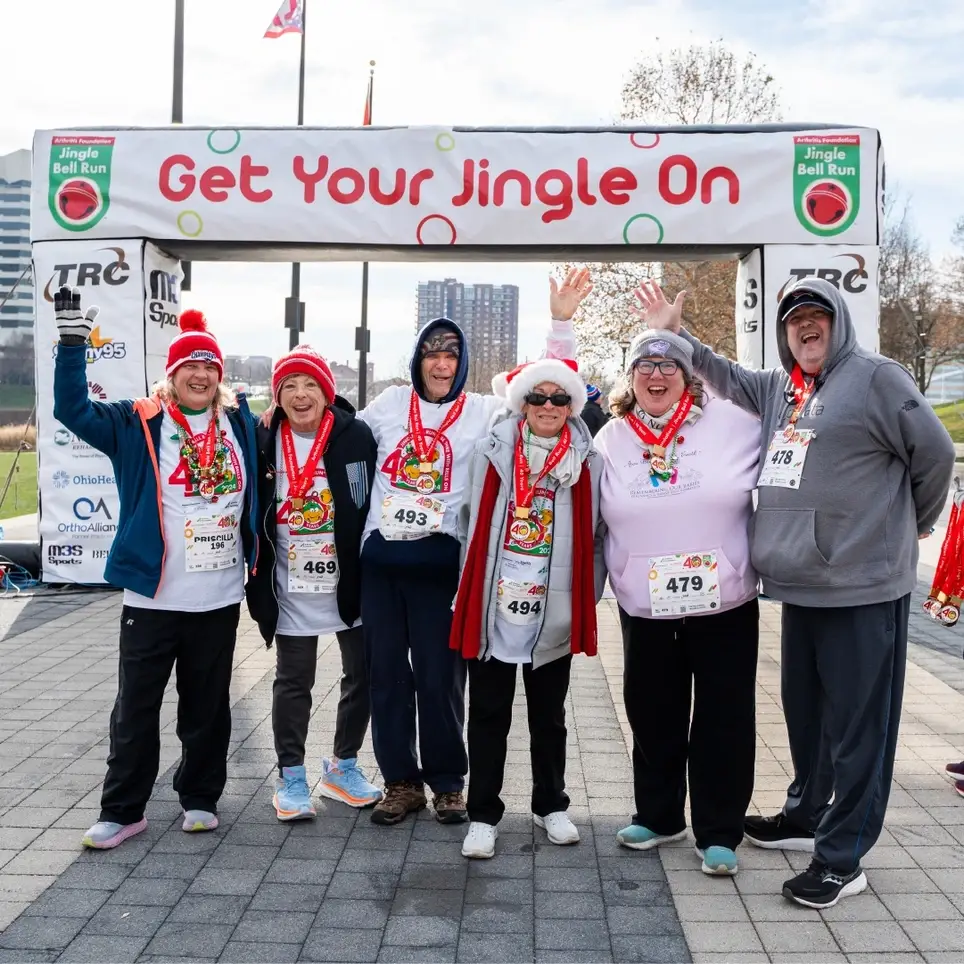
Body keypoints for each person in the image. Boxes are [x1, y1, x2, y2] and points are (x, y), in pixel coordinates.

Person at [635, 277, 956, 907]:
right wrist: (675, 335)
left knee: (862, 727)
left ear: (838, 321)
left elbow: (936, 455)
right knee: (807, 718)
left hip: (862, 588)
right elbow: (721, 374)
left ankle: (842, 858)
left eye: (816, 316)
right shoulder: (783, 387)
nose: (805, 327)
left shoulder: (876, 377)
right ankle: (806, 813)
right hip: (800, 586)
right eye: (793, 320)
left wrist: (907, 525)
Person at [358, 268, 593, 826]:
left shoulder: (486, 413)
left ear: (462, 364)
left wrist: (560, 324)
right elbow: (333, 433)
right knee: (387, 678)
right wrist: (280, 416)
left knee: (440, 682)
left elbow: (545, 395)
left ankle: (447, 782)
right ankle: (399, 781)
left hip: (444, 565)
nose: (441, 364)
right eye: (432, 353)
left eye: (451, 354)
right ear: (417, 359)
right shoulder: (388, 405)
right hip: (384, 566)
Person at [52, 290, 259, 849]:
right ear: (171, 373)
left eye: (208, 365)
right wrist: (73, 348)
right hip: (153, 598)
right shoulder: (135, 421)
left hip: (217, 597)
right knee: (136, 709)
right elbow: (72, 411)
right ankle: (123, 810)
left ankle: (199, 797)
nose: (199, 373)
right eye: (189, 364)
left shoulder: (239, 424)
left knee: (208, 707)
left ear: (219, 374)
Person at [594, 323, 761, 876]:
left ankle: (719, 831)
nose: (657, 375)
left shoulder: (735, 420)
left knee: (723, 716)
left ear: (689, 376)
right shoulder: (611, 438)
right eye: (645, 365)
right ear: (631, 377)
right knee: (652, 710)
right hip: (646, 607)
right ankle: (660, 815)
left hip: (725, 603)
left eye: (669, 366)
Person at [451, 296, 600, 859]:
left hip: (552, 605)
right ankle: (483, 813)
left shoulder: (586, 461)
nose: (547, 405)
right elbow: (466, 522)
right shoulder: (491, 452)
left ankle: (550, 804)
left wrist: (586, 596)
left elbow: (600, 536)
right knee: (487, 714)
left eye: (559, 398)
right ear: (520, 403)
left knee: (549, 716)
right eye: (536, 397)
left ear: (571, 406)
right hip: (494, 605)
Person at [245, 346, 381, 819]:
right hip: (290, 586)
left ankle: (343, 767)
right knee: (294, 679)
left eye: (310, 386)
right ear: (276, 396)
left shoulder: (357, 435)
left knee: (362, 673)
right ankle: (292, 776)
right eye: (289, 387)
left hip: (350, 583)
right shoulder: (262, 438)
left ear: (327, 393)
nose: (300, 395)